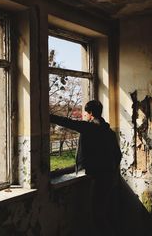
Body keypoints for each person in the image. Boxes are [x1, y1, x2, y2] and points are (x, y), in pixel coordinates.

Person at [50, 100, 122, 236]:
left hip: (99, 177)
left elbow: (68, 122)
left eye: (86, 113)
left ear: (90, 113)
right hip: (109, 175)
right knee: (105, 212)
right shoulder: (109, 132)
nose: (86, 116)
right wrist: (111, 170)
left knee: (98, 215)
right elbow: (118, 155)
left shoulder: (90, 128)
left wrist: (50, 117)